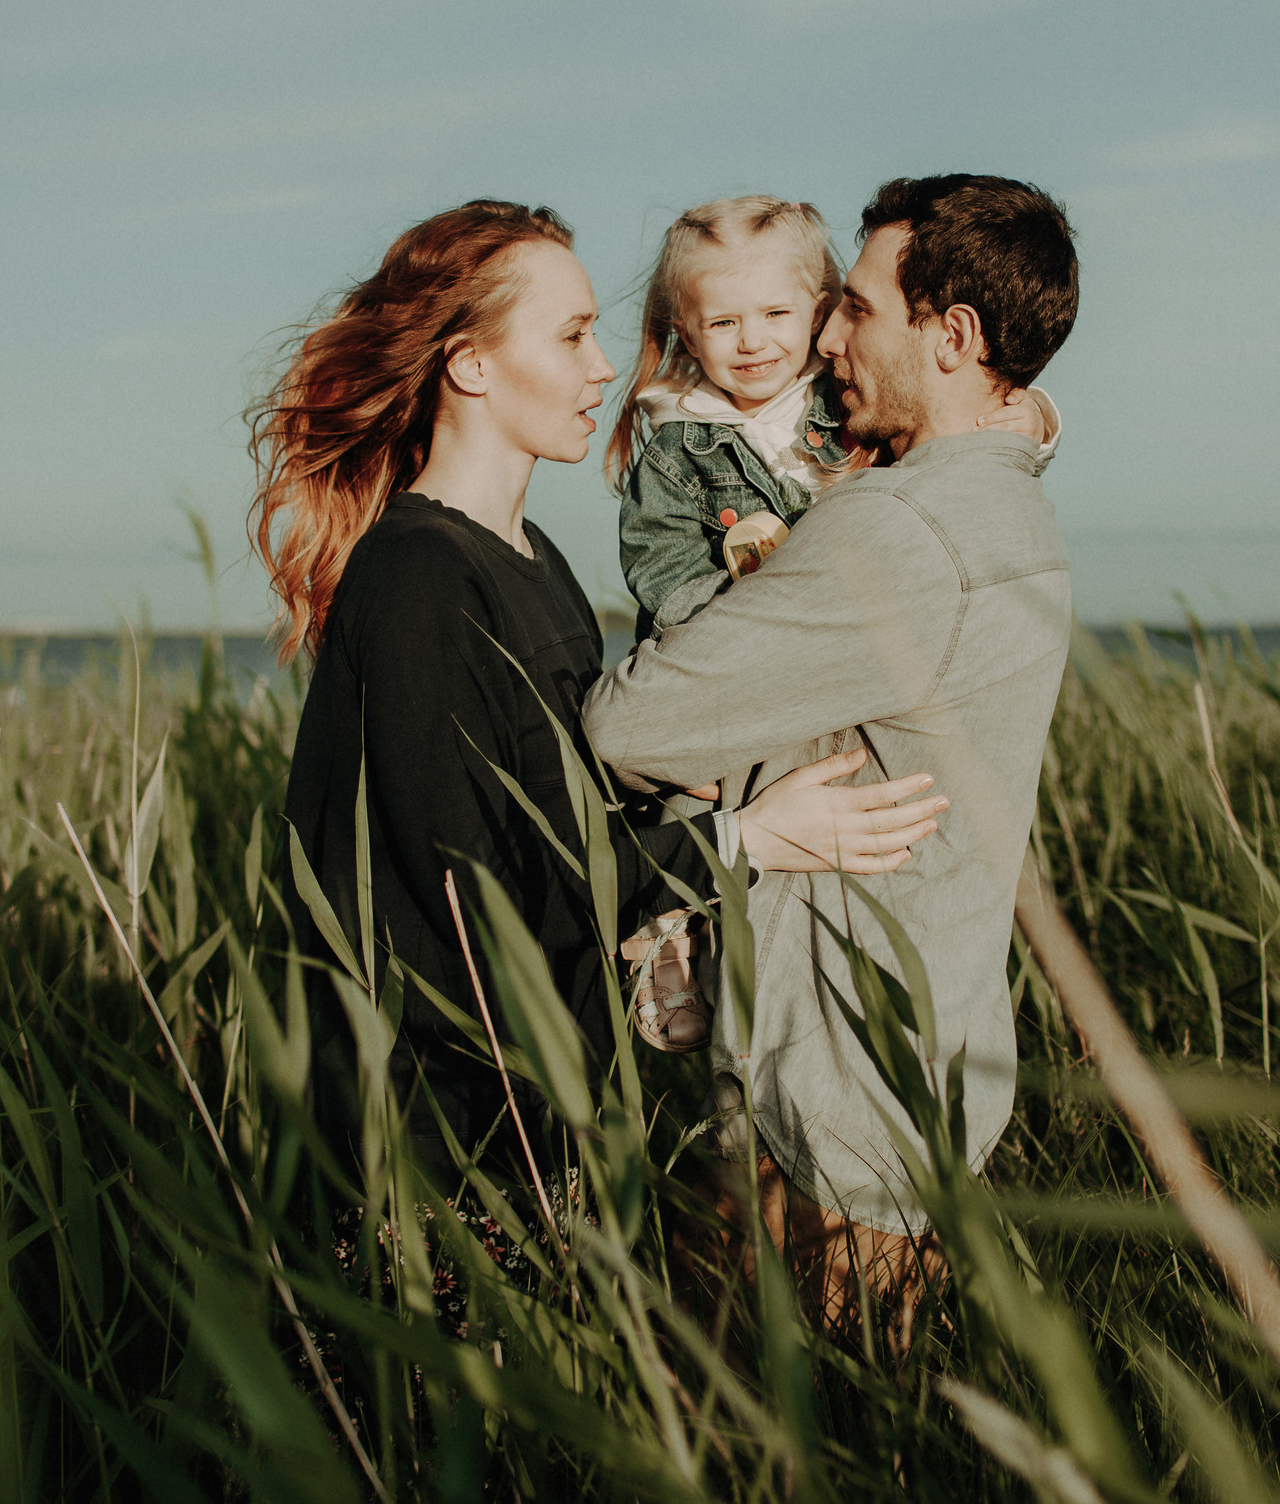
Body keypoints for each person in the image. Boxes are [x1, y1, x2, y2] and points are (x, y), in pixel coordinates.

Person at [250, 198, 949, 1182]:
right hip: (428, 1138)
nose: (604, 366)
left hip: (543, 1106)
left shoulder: (536, 563)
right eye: (573, 334)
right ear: (472, 365)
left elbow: (567, 812)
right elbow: (472, 884)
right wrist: (746, 839)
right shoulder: (417, 577)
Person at [581, 174, 1080, 1319]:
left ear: (951, 337)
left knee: (770, 1430)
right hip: (915, 1063)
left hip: (829, 1103)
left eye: (851, 309)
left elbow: (630, 726)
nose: (823, 337)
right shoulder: (997, 498)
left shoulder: (893, 523)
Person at [605, 195, 1056, 640]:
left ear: (815, 313)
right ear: (688, 337)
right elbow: (668, 586)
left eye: (775, 313)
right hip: (757, 651)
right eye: (723, 323)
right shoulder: (675, 457)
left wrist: (1032, 422)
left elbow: (941, 436)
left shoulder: (851, 400)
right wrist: (769, 610)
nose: (752, 341)